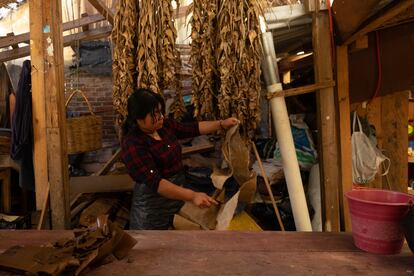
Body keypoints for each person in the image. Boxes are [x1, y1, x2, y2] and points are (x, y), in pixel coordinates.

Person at [121, 88, 240, 230]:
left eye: (160, 112)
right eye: (155, 114)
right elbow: (157, 183)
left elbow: (192, 128)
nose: (161, 117)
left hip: (175, 197)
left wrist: (221, 124)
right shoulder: (133, 144)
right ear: (138, 118)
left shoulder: (163, 127)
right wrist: (192, 196)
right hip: (152, 209)